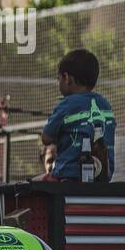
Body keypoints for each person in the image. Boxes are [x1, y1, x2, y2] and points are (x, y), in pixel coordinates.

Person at [41, 48, 116, 182]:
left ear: (67, 78)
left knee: (34, 184)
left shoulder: (66, 104)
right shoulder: (105, 104)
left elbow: (46, 138)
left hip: (69, 177)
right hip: (102, 178)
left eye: (59, 79)